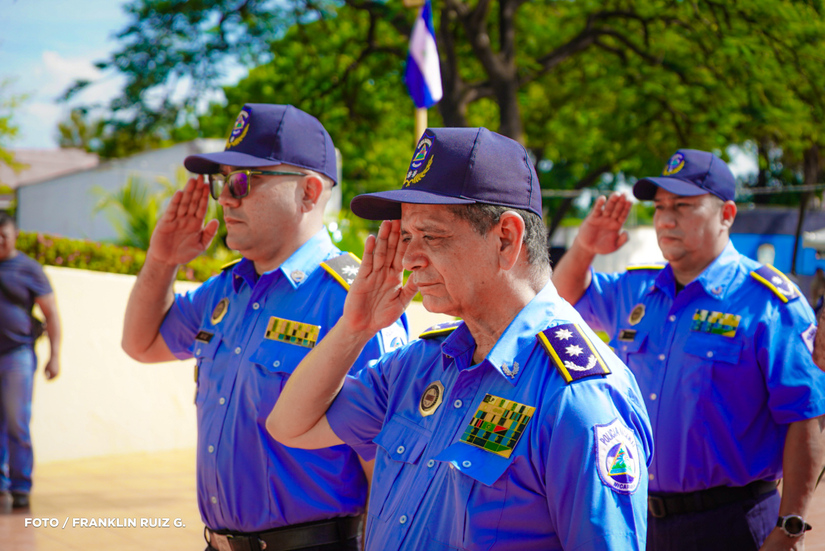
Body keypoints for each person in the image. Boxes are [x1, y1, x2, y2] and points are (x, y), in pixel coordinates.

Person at [267, 127, 654, 550]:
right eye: (408, 237)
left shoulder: (578, 397)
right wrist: (355, 328)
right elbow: (290, 427)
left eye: (431, 236)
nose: (410, 258)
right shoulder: (421, 364)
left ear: (506, 238)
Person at [121, 104, 408, 551]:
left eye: (242, 182)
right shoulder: (227, 288)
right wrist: (161, 260)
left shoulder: (351, 299)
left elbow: (385, 464)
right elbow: (142, 344)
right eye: (222, 182)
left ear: (309, 193)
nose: (226, 199)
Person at [552, 149, 825, 551]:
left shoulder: (767, 302)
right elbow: (560, 303)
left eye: (683, 206)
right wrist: (584, 248)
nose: (665, 219)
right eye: (661, 207)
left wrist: (789, 528)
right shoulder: (638, 289)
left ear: (726, 215)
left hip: (734, 523)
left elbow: (806, 419)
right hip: (641, 522)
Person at [0, 210, 61, 513]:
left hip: (17, 356)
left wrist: (55, 356)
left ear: (14, 236)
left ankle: (21, 486)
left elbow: (51, 315)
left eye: (4, 235)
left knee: (16, 421)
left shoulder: (29, 269)